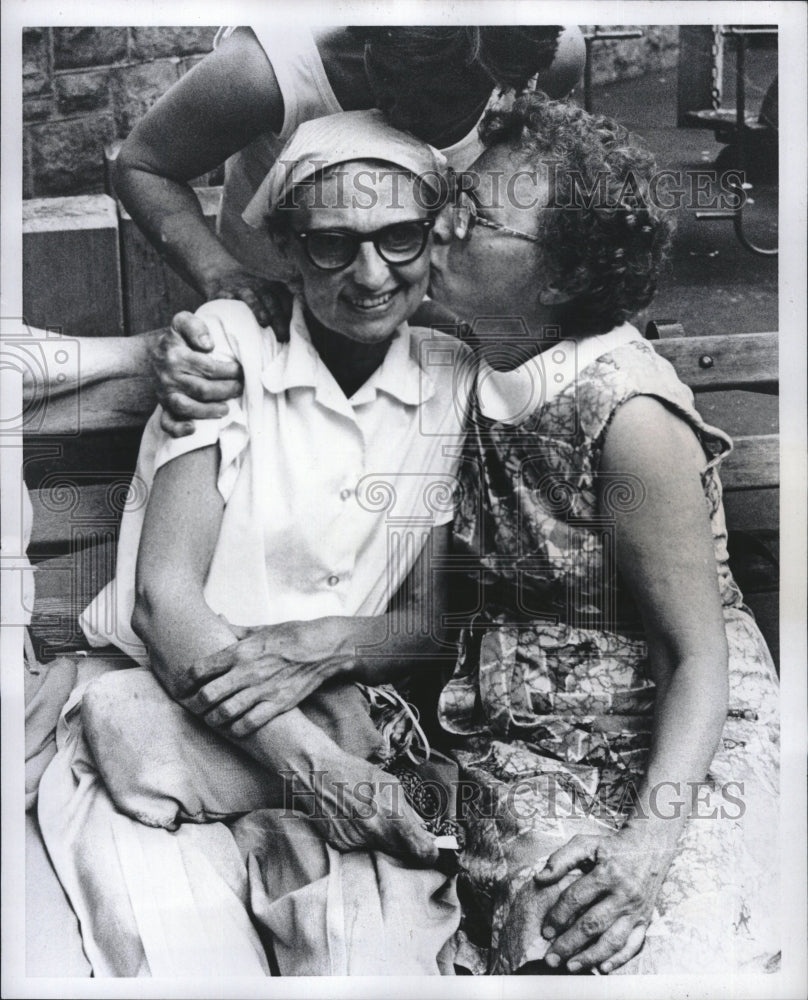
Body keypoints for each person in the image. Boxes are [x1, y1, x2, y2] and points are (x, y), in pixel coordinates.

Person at [175, 94, 780, 975]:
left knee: (650, 944)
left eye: (479, 219)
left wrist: (647, 852)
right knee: (554, 926)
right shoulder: (476, 354)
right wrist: (182, 351)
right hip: (522, 742)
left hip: (675, 751)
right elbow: (316, 306)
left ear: (563, 279)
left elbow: (694, 656)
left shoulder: (629, 417)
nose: (444, 229)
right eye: (457, 199)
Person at [36, 112, 471, 976]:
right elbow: (166, 603)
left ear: (435, 239)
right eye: (331, 245)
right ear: (283, 248)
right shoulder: (229, 348)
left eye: (400, 237)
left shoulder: (452, 376)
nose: (370, 272)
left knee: (371, 965)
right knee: (183, 957)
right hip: (168, 731)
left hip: (345, 731)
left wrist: (321, 652)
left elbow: (426, 622)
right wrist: (311, 766)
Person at [113, 25, 585, 350]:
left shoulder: (551, 60)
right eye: (388, 74)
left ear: (508, 82)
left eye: (439, 96)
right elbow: (143, 165)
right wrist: (220, 275)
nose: (400, 108)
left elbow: (541, 183)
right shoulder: (263, 69)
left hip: (443, 317)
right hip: (282, 308)